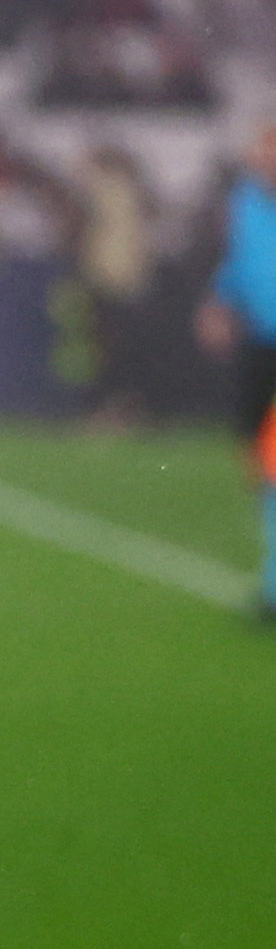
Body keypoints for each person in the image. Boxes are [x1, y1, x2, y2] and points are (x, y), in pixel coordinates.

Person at [201, 116, 276, 621]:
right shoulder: (246, 200)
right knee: (259, 459)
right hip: (260, 343)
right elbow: (241, 262)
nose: (262, 156)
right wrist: (219, 302)